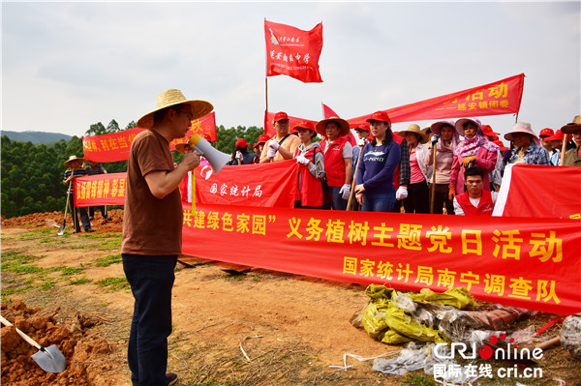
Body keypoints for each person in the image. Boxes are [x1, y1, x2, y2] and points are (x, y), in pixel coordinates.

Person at [122, 88, 213, 386]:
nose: (191, 123)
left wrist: (179, 164)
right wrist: (185, 167)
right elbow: (159, 187)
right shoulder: (149, 140)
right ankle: (150, 381)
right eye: (188, 116)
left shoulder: (159, 143)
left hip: (150, 249)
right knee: (154, 324)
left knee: (144, 318)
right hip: (149, 250)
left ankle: (146, 376)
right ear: (171, 114)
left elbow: (161, 181)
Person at [354, 111, 401, 212]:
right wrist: (359, 189)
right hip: (366, 194)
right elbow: (360, 168)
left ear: (386, 126)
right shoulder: (367, 147)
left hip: (383, 194)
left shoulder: (393, 146)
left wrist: (365, 185)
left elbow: (387, 171)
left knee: (380, 226)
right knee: (366, 225)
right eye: (372, 125)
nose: (374, 127)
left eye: (378, 124)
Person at [449, 118, 499, 201]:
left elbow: (491, 165)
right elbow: (455, 168)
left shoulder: (488, 146)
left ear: (477, 129)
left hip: (480, 185)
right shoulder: (460, 147)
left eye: (471, 128)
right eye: (466, 128)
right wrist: (452, 186)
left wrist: (476, 159)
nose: (468, 131)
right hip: (463, 186)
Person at [316, 116, 353, 210]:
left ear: (338, 129)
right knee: (323, 212)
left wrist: (347, 184)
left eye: (332, 127)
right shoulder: (320, 144)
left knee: (338, 213)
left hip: (338, 184)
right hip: (322, 184)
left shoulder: (345, 144)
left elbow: (348, 164)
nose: (329, 130)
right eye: (327, 127)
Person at [425, 120, 459, 215]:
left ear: (453, 132)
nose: (446, 133)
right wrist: (432, 147)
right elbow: (428, 162)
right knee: (435, 212)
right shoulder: (436, 145)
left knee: (451, 211)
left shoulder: (456, 147)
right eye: (443, 131)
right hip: (435, 182)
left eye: (449, 131)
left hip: (450, 183)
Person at [397, 124, 430, 214]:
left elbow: (428, 166)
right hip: (405, 184)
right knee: (408, 209)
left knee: (421, 210)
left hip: (419, 183)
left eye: (411, 135)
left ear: (417, 136)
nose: (409, 137)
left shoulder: (423, 149)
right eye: (407, 135)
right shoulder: (403, 149)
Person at [293, 121, 325, 208]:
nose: (301, 134)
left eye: (304, 131)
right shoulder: (297, 150)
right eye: (299, 131)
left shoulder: (316, 151)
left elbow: (320, 173)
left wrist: (308, 163)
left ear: (311, 133)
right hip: (297, 192)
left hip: (311, 193)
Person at [63, 155, 94, 233]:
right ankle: (76, 228)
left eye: (76, 162)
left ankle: (87, 227)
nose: (75, 164)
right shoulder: (67, 172)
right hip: (71, 192)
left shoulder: (82, 170)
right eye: (73, 162)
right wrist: (68, 179)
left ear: (78, 162)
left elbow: (87, 180)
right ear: (70, 164)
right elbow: (64, 182)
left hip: (80, 193)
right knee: (73, 211)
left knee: (83, 210)